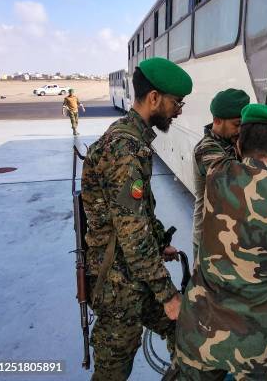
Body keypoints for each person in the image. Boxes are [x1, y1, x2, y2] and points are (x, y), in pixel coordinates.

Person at [174, 103, 267, 380]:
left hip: (200, 333)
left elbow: (218, 155)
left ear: (240, 145)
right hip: (260, 349)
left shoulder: (217, 176)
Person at [81, 57, 193, 381]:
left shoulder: (132, 138)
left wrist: (160, 244)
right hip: (119, 285)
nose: (180, 110)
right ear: (154, 98)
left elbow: (137, 212)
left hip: (133, 273)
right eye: (176, 102)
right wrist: (168, 294)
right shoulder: (125, 148)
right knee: (112, 373)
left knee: (183, 332)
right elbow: (131, 233)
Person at [192, 88, 249, 258]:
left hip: (229, 237)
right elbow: (236, 183)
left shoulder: (231, 142)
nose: (240, 131)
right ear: (217, 121)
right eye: (237, 125)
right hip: (209, 241)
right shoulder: (207, 149)